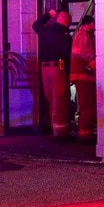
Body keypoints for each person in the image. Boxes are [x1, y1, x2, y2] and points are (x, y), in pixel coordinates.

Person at [32, 8, 73, 138]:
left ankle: (52, 127)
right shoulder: (66, 37)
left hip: (45, 69)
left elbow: (36, 25)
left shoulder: (46, 31)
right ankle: (60, 131)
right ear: (67, 22)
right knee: (59, 99)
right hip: (59, 69)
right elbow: (68, 56)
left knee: (49, 98)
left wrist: (48, 15)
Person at [70, 15, 97, 142]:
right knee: (87, 105)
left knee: (88, 104)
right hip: (84, 75)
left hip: (84, 75)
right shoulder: (83, 36)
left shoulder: (85, 35)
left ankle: (86, 133)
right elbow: (86, 54)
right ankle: (85, 135)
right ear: (90, 23)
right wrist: (95, 65)